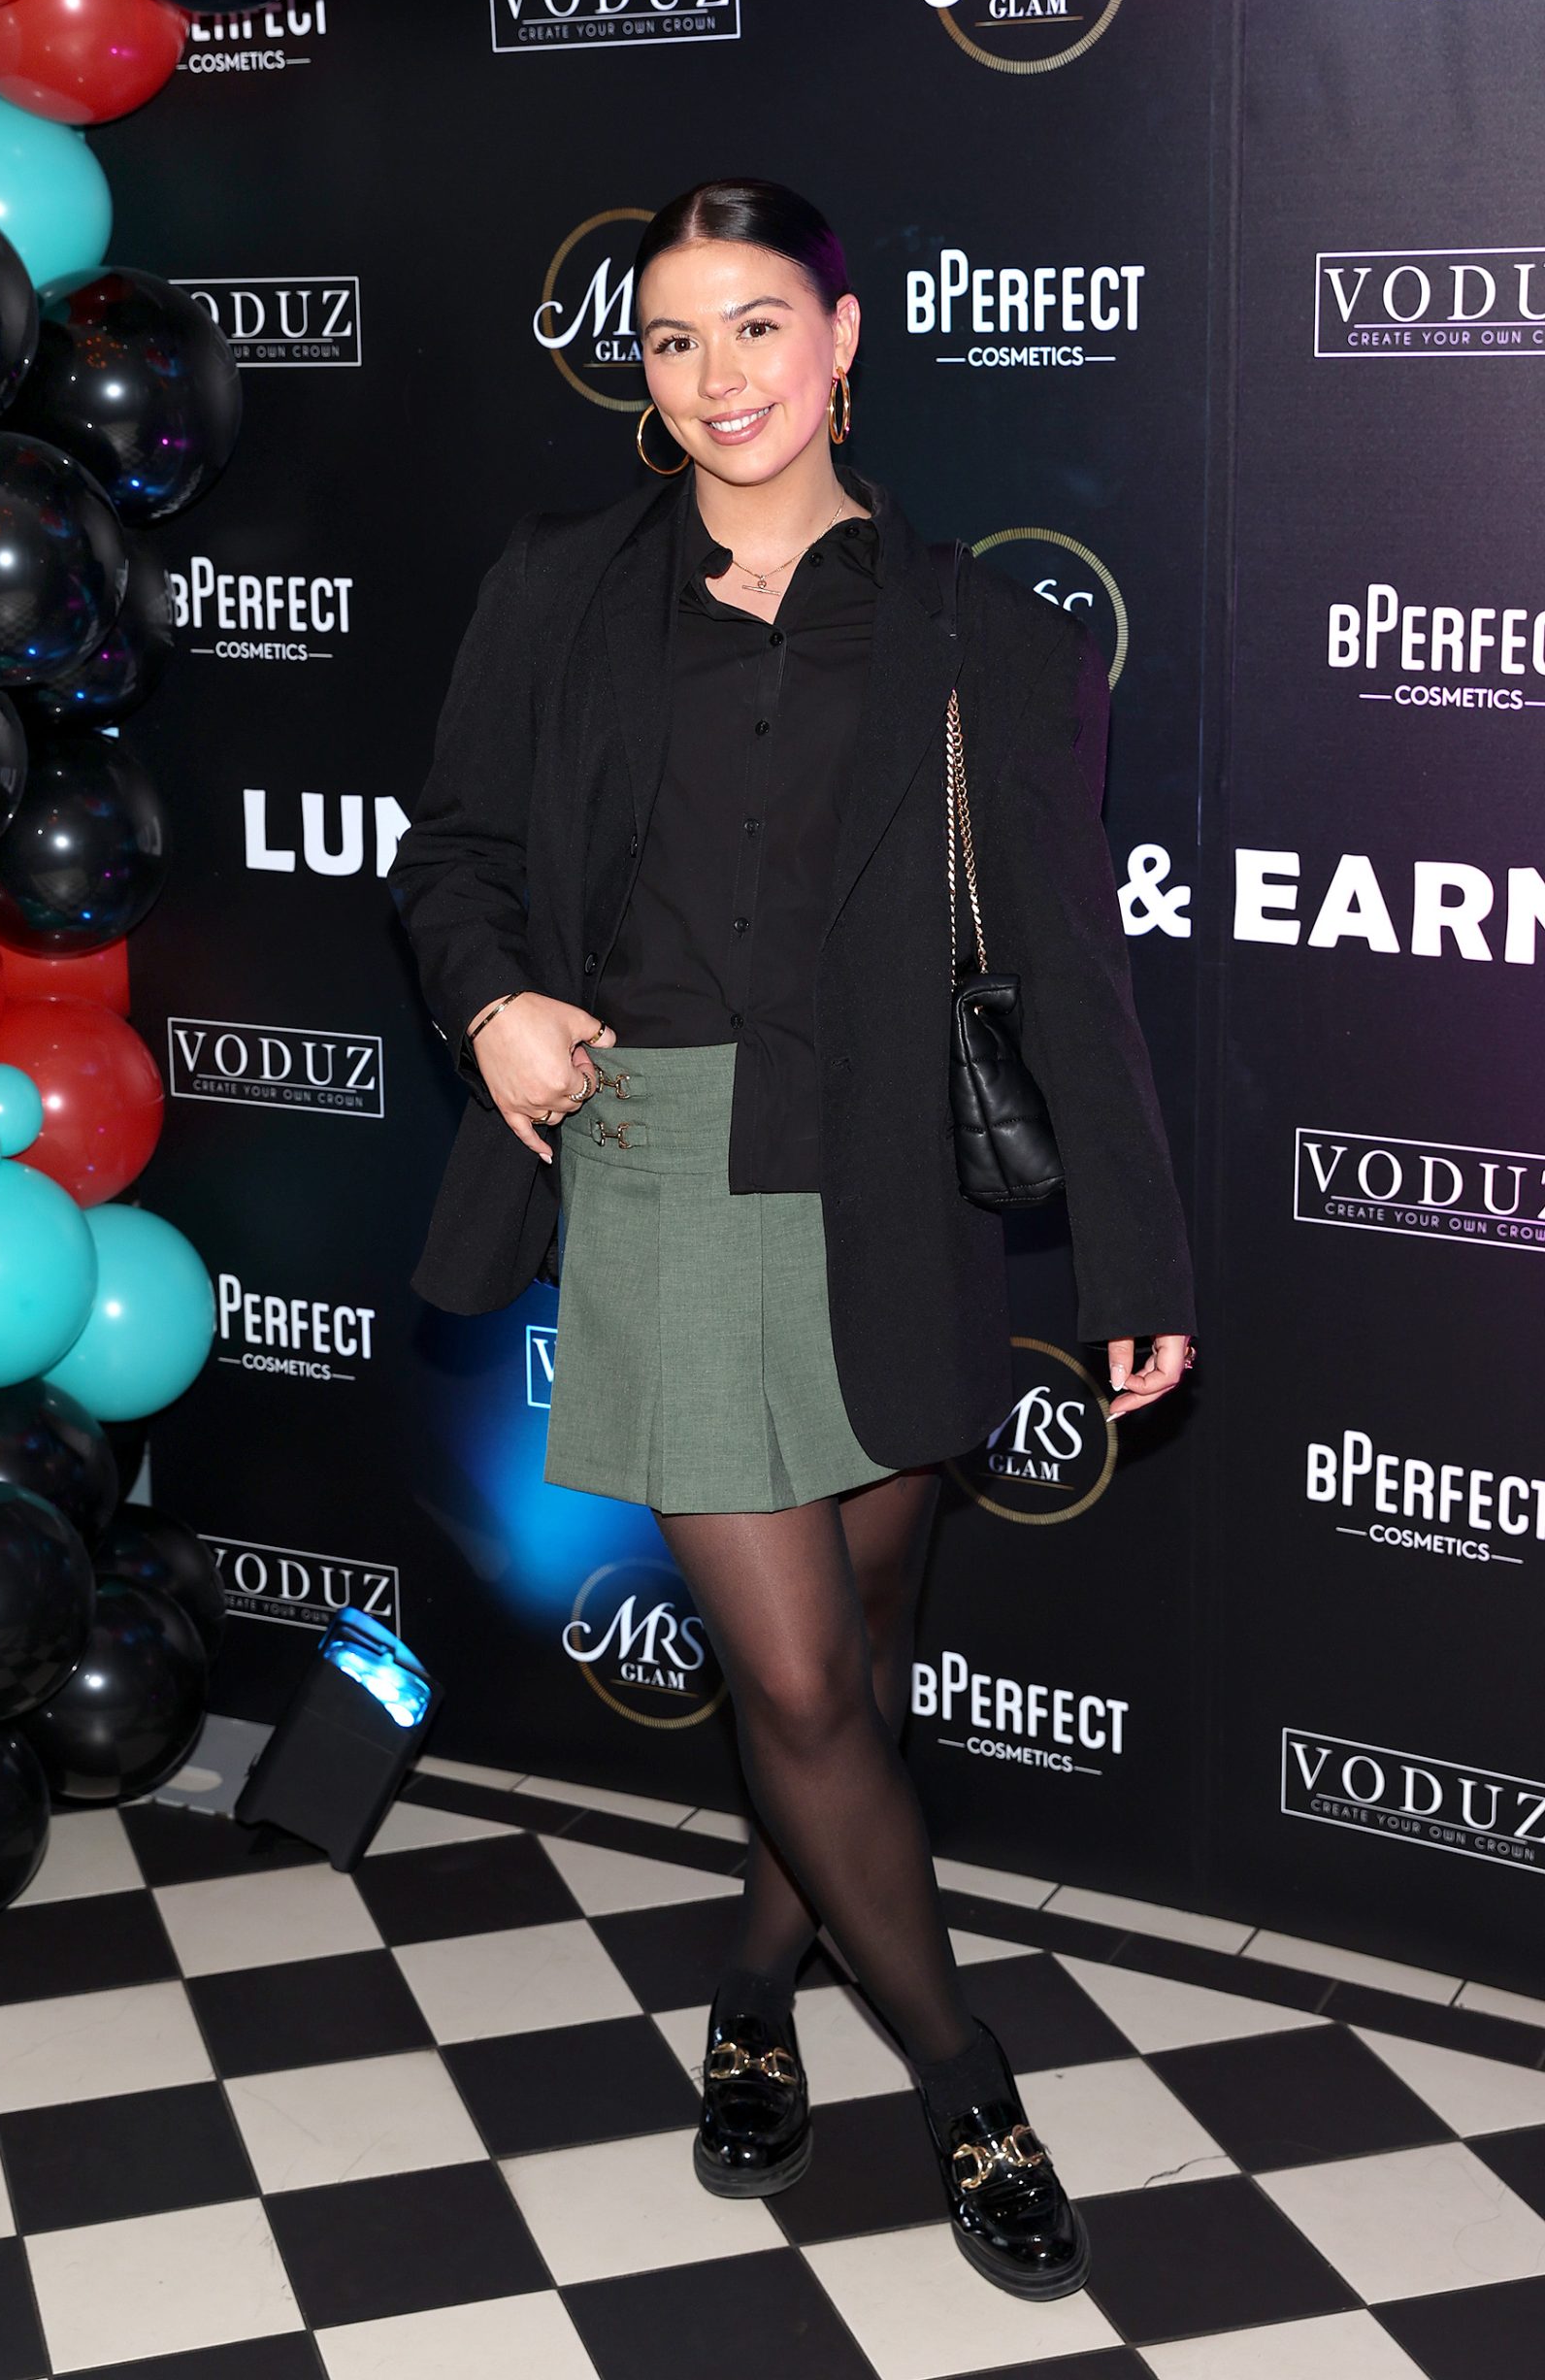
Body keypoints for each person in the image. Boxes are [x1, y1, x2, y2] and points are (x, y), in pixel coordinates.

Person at [386, 177, 1196, 2300]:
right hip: (654, 1159)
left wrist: (1137, 1262)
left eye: (757, 324)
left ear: (844, 342)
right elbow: (453, 851)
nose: (716, 374)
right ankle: (969, 2085)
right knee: (806, 1676)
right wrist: (490, 999)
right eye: (672, 339)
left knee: (858, 1638)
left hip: (887, 1181)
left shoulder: (986, 632)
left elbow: (1068, 957)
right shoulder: (562, 585)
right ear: (640, 377)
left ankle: (757, 1984)